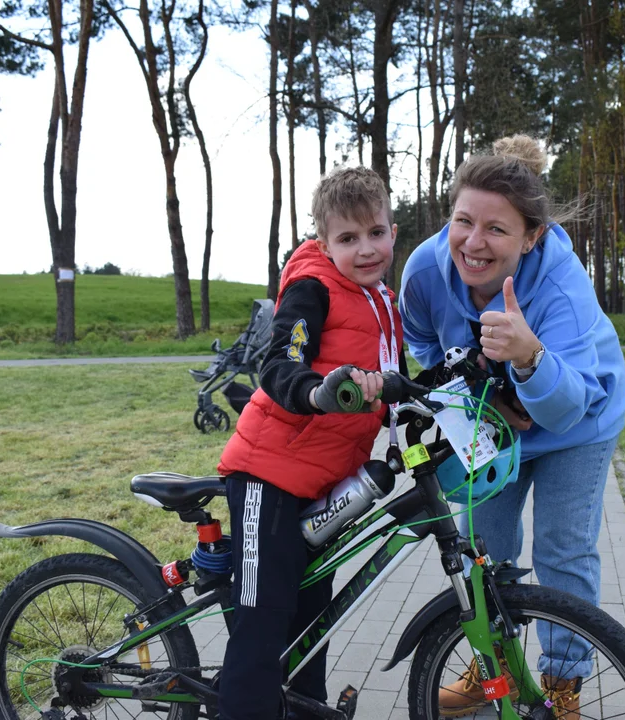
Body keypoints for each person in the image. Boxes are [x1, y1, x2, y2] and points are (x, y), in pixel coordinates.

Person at [400, 135, 625, 718]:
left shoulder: (560, 287)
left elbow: (565, 408)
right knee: (482, 545)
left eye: (497, 230)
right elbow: (421, 342)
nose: (473, 243)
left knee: (563, 550)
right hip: (491, 421)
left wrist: (528, 359)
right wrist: (478, 396)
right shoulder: (426, 270)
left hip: (577, 422)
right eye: (462, 221)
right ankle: (490, 664)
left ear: (532, 237)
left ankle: (562, 684)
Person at [216, 166, 402, 720]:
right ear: (324, 242)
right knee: (263, 619)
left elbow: (393, 377)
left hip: (322, 480)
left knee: (311, 618)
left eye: (376, 233)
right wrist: (317, 393)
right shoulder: (312, 288)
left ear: (394, 230)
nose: (365, 249)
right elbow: (280, 361)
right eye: (348, 238)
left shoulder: (381, 300)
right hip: (268, 475)